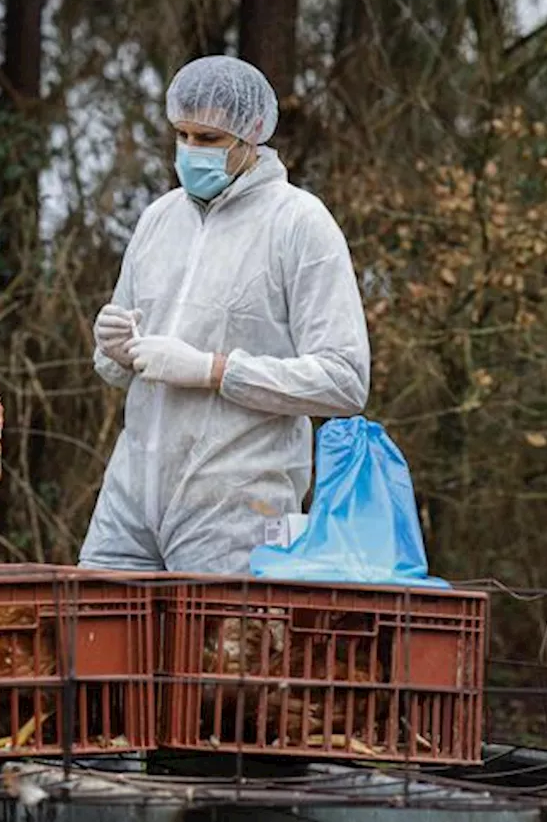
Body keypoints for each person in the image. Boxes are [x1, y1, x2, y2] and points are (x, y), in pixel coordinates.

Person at [79, 55, 371, 575]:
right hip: (129, 501)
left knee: (217, 656)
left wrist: (215, 370)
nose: (191, 151)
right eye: (182, 134)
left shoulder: (299, 224)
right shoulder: (158, 220)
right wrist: (114, 348)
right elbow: (120, 363)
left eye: (209, 139)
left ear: (251, 135)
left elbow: (344, 380)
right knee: (96, 648)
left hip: (238, 510)